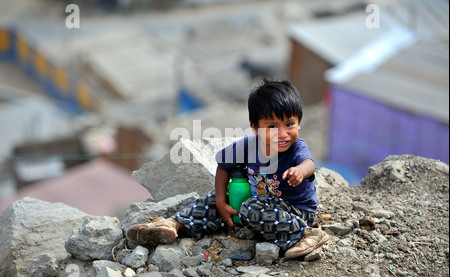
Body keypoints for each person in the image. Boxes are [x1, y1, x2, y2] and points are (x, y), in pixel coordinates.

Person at [127, 77, 328, 259]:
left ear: (299, 124)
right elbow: (223, 167)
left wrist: (300, 171)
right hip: (259, 199)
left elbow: (309, 164)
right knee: (215, 198)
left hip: (294, 210)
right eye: (272, 126)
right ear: (255, 128)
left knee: (251, 209)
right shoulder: (248, 146)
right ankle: (173, 224)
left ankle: (307, 233)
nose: (282, 133)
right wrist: (223, 202)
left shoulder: (296, 148)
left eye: (289, 124)